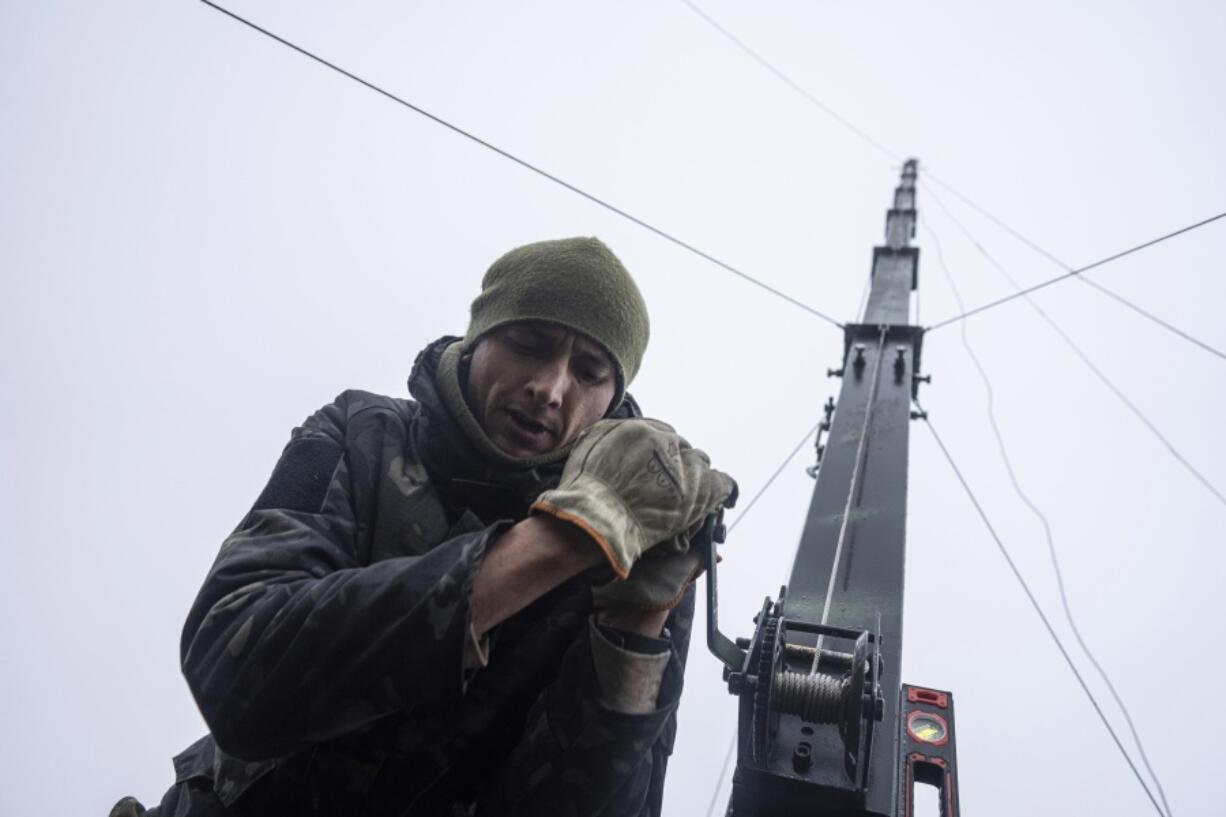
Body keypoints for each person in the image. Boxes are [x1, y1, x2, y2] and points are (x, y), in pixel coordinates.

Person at [111, 236, 737, 816]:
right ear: (477, 340)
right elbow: (234, 669)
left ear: (610, 398)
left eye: (590, 371)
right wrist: (558, 542)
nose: (550, 387)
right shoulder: (359, 432)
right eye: (529, 343)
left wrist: (633, 627)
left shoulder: (636, 538)